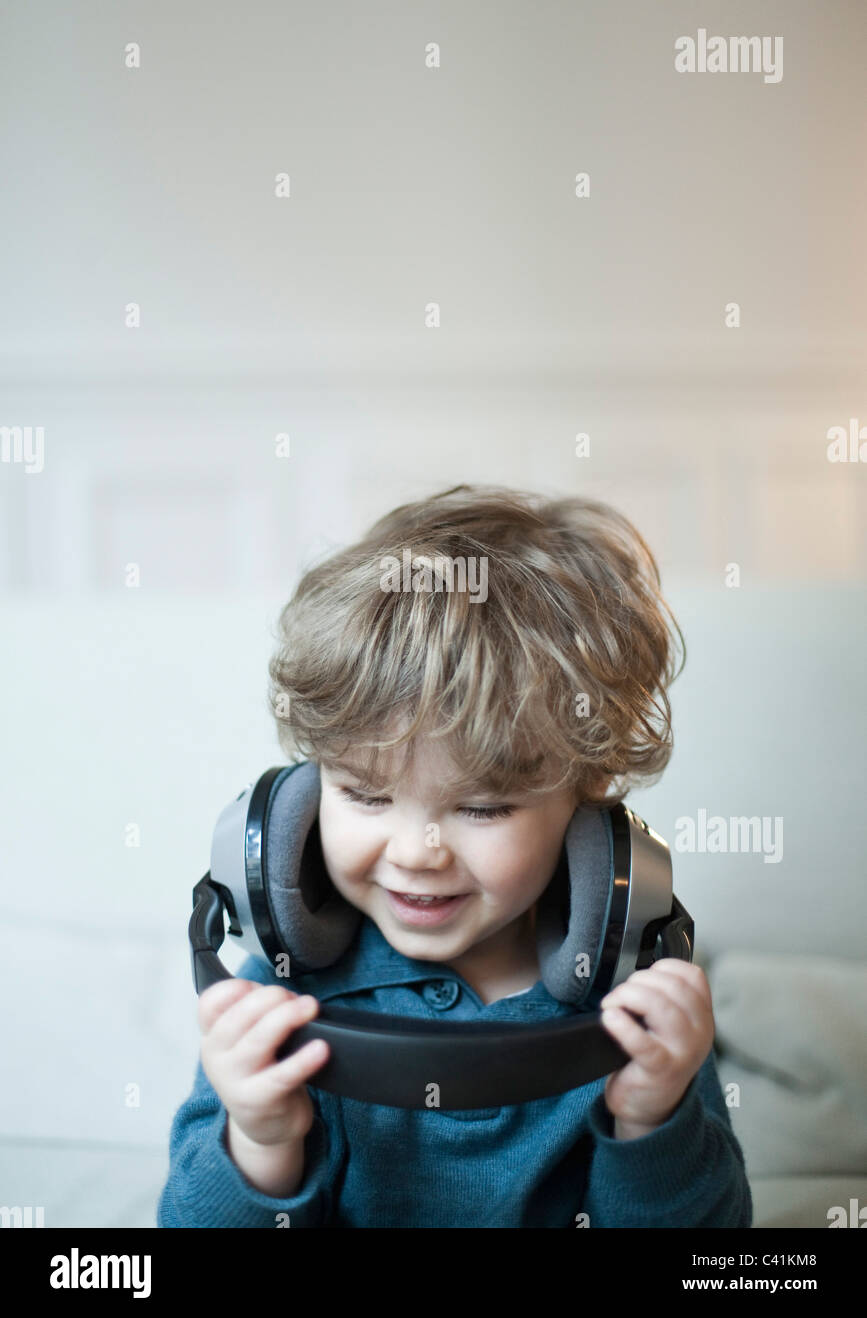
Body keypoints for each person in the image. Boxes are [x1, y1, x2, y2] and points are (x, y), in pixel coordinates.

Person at [157, 483, 753, 1228]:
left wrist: (650, 1122)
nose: (416, 853)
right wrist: (260, 1140)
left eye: (480, 807)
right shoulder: (281, 990)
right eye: (366, 797)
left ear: (586, 797)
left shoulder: (633, 1006)